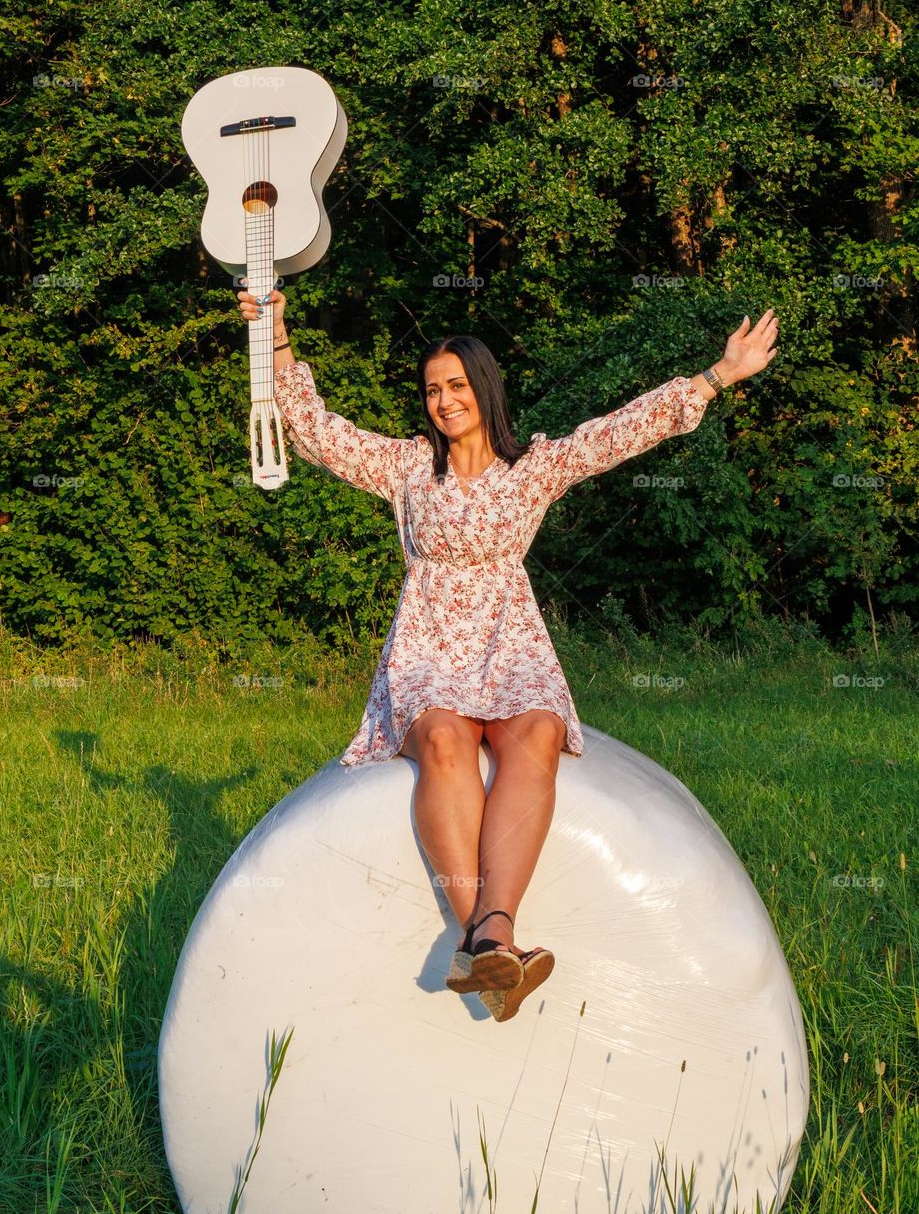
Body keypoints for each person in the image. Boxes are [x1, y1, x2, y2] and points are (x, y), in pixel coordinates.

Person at [237, 283, 779, 1020]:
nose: (443, 400)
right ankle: (489, 940)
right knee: (445, 742)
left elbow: (618, 434)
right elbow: (314, 430)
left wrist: (716, 377)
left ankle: (489, 933)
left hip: (509, 639)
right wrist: (274, 333)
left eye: (456, 385)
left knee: (538, 734)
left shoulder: (534, 467)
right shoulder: (405, 468)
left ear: (483, 388)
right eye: (431, 390)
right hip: (429, 643)